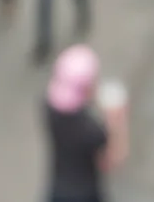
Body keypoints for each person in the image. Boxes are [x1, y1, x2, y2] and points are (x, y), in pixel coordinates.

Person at [43, 45, 129, 202]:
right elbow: (111, 161)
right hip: (86, 194)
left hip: (57, 191)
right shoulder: (92, 131)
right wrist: (117, 123)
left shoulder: (49, 109)